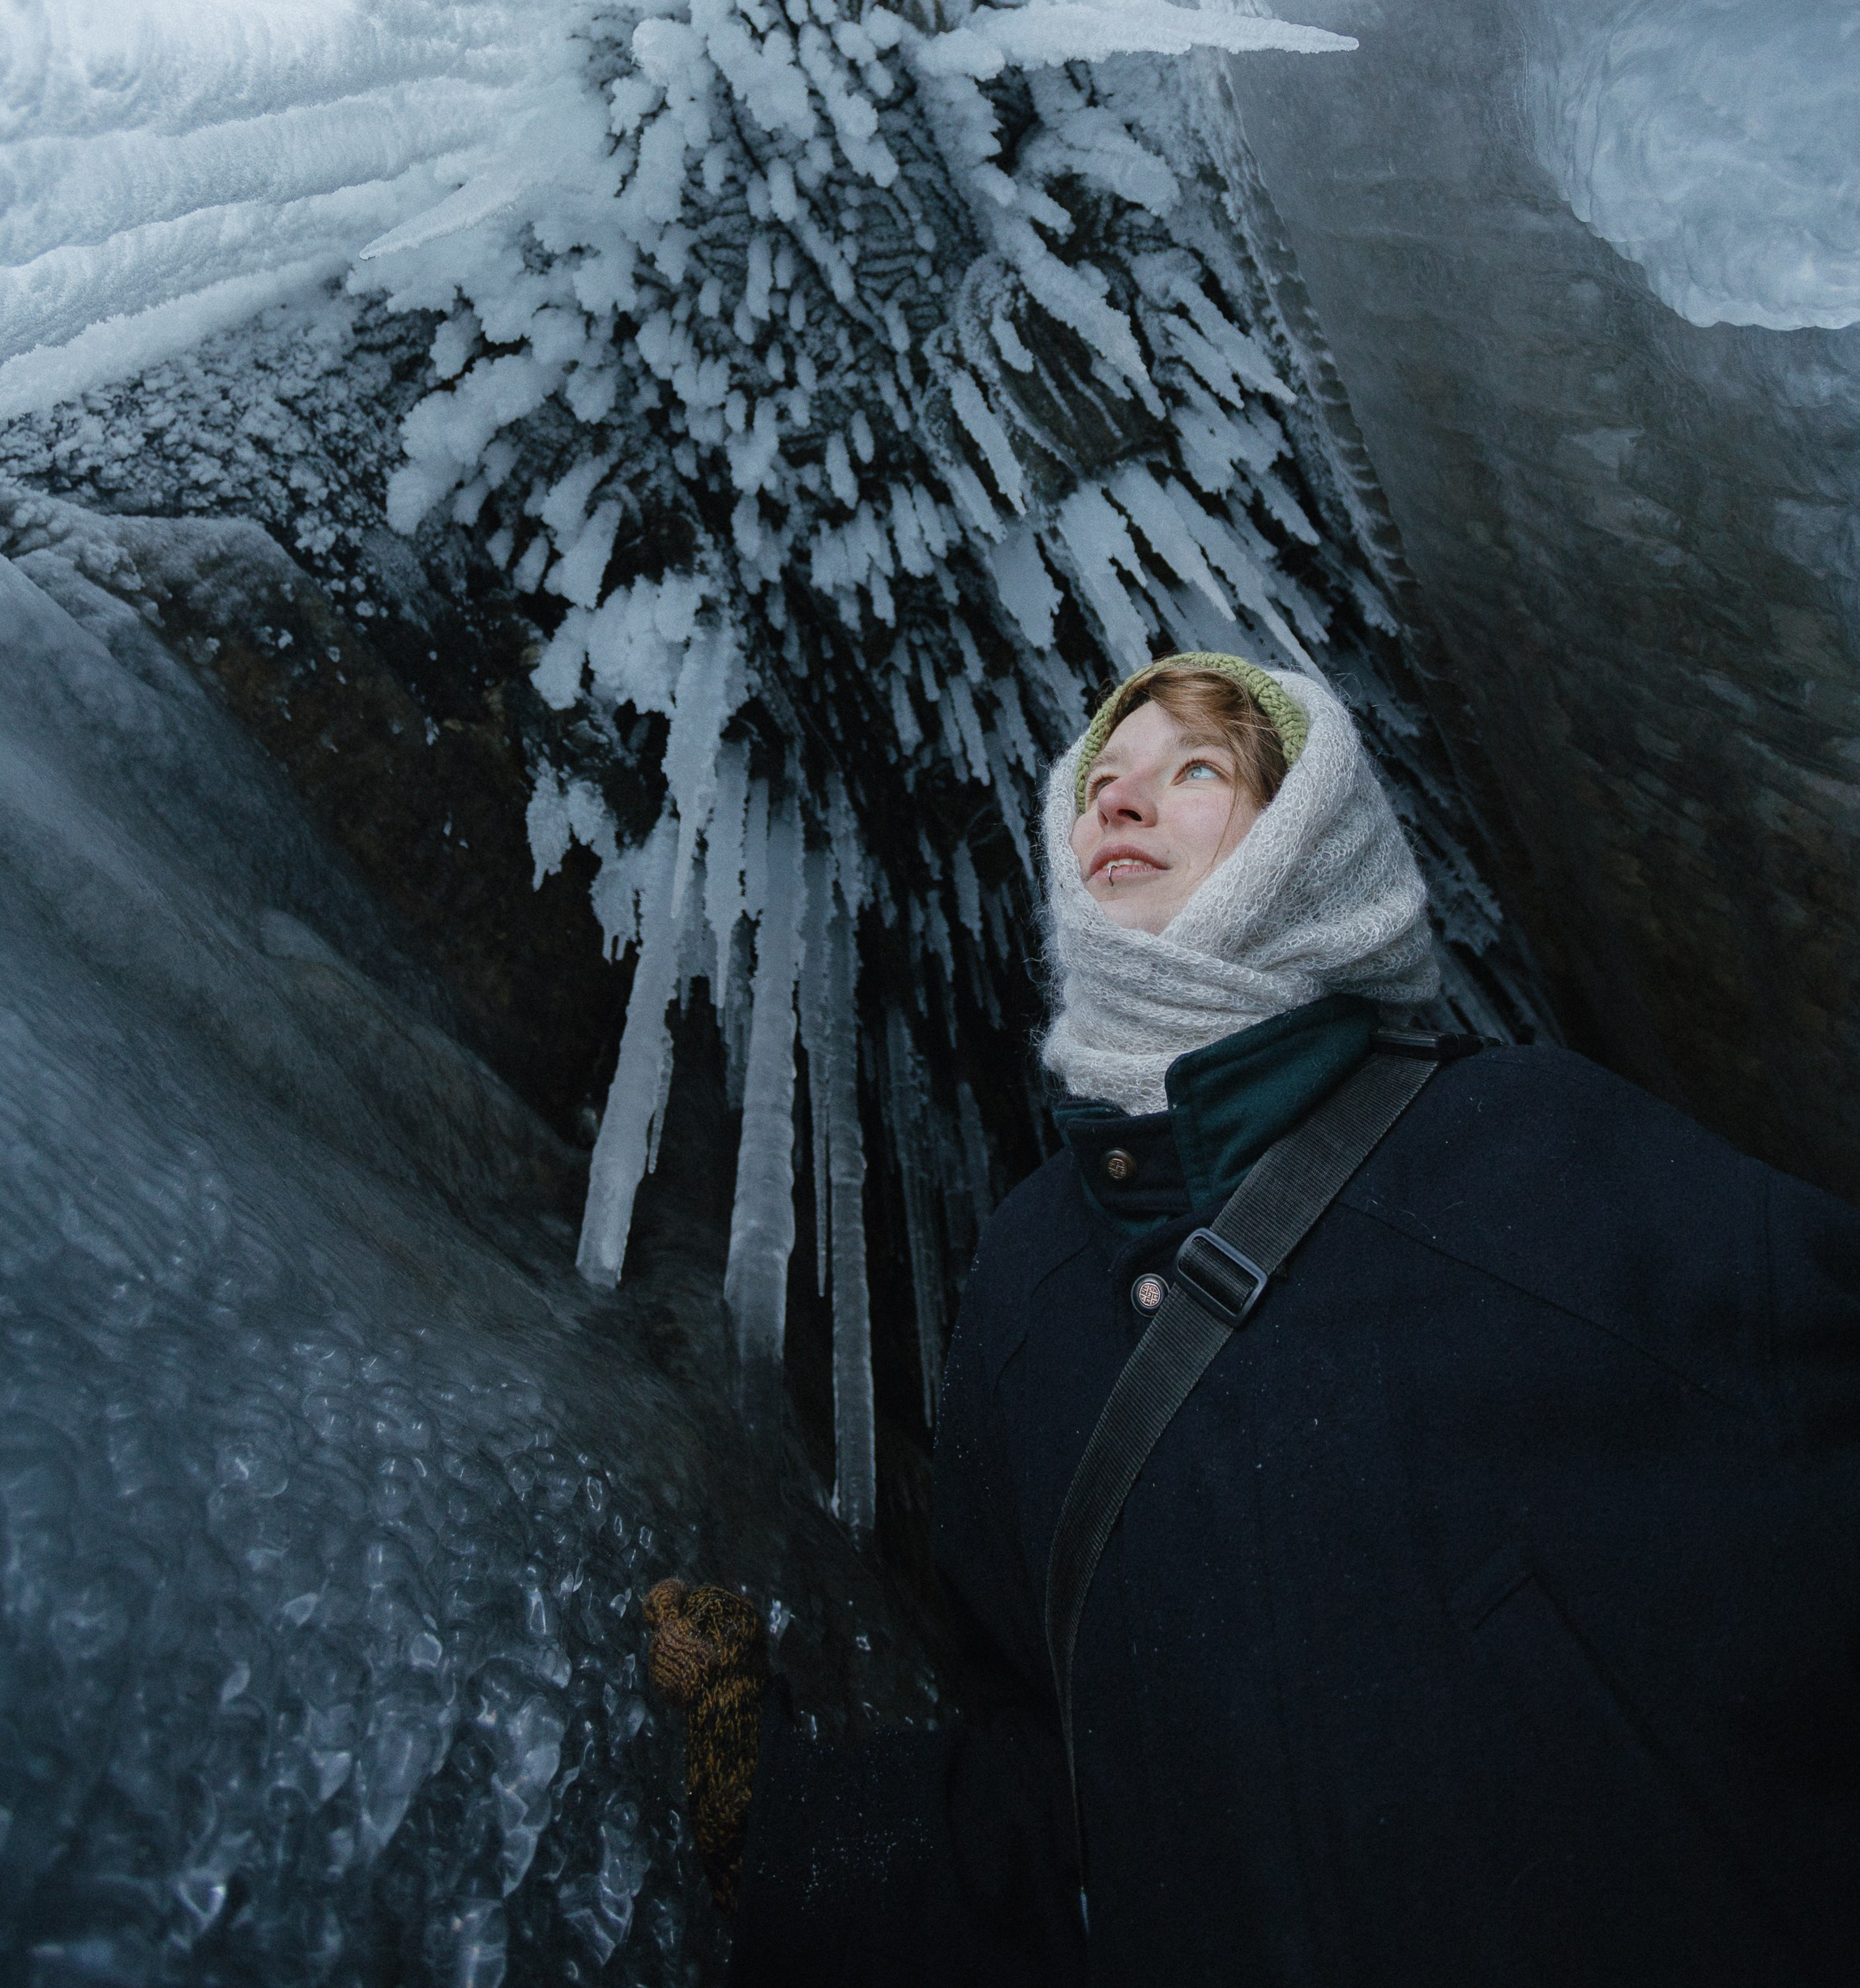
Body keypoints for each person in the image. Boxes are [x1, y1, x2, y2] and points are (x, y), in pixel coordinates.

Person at [648, 652, 1860, 1985]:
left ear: (1304, 836)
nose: (1117, 806)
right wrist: (741, 1785)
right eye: (1097, 784)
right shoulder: (1026, 1285)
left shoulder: (1538, 1145)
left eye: (1194, 772)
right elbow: (1047, 1800)